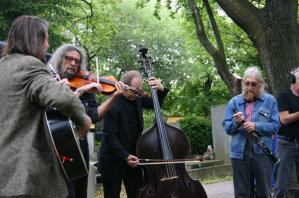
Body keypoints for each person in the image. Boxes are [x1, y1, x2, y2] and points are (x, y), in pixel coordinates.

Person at [0, 15, 92, 197]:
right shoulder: (30, 65)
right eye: (46, 39)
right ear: (34, 40)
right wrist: (84, 121)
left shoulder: (3, 66)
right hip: (26, 175)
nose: (48, 46)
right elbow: (64, 99)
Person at [49, 44, 127, 198]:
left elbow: (94, 116)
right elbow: (57, 108)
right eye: (69, 58)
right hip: (60, 143)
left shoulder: (86, 83)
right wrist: (82, 91)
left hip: (81, 142)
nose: (73, 63)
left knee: (80, 189)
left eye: (77, 61)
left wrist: (114, 97)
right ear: (60, 59)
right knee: (66, 191)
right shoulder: (52, 80)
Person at [98, 70, 169, 198]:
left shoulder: (137, 98)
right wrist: (125, 156)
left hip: (133, 158)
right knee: (112, 195)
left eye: (139, 90)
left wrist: (161, 89)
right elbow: (110, 136)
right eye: (134, 90)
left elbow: (155, 104)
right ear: (124, 87)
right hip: (113, 159)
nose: (138, 93)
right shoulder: (112, 104)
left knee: (137, 193)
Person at [222, 66, 280, 198]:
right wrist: (236, 122)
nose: (249, 87)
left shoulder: (270, 100)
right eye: (247, 83)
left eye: (254, 84)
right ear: (243, 82)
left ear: (260, 84)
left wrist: (256, 126)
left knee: (264, 192)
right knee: (242, 193)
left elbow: (276, 126)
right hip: (239, 152)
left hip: (262, 151)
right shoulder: (234, 102)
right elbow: (226, 128)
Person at [273, 67, 299, 197]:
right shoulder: (284, 95)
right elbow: (283, 119)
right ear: (293, 80)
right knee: (281, 184)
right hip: (286, 143)